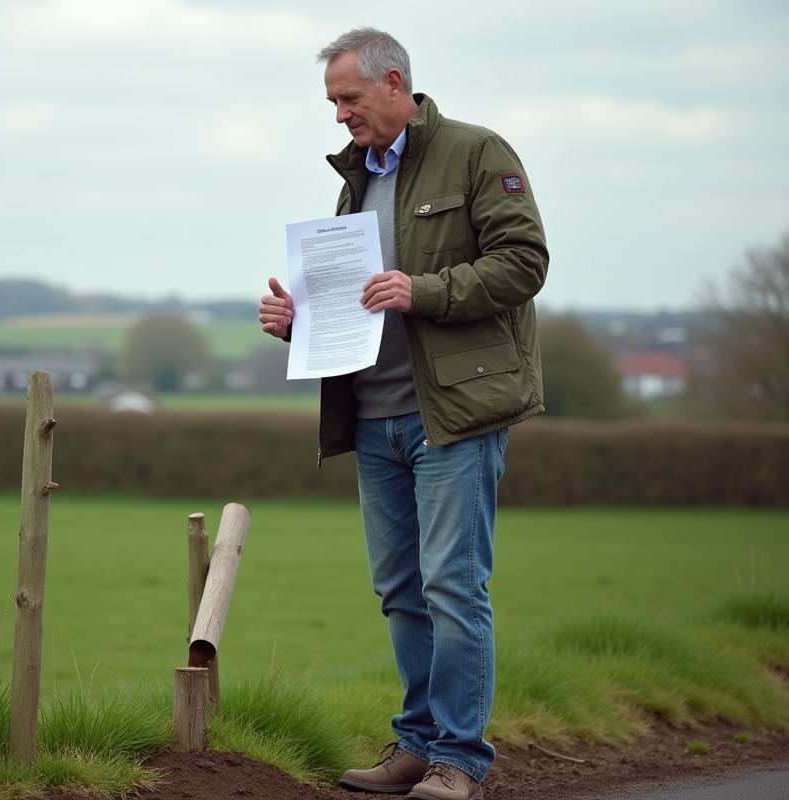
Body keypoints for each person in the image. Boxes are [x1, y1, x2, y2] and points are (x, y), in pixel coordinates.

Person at [258, 27, 548, 800]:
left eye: (348, 98)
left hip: (452, 415)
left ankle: (462, 759)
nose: (339, 115)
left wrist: (424, 289)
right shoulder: (353, 183)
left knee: (453, 585)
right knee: (401, 591)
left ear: (395, 86)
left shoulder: (479, 152)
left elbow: (525, 263)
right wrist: (300, 321)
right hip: (376, 416)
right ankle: (417, 746)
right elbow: (358, 301)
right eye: (332, 102)